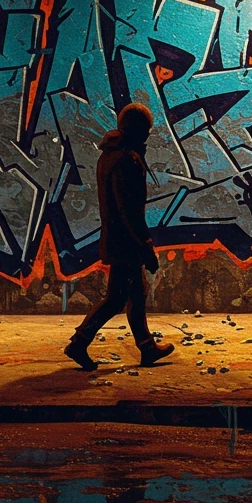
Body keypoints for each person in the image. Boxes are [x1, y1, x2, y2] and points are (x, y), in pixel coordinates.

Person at [64, 103, 175, 371]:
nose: (149, 136)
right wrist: (145, 246)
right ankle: (79, 342)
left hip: (117, 238)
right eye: (146, 130)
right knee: (116, 298)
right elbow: (130, 211)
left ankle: (147, 348)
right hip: (126, 242)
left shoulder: (110, 155)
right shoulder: (128, 160)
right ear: (138, 131)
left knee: (137, 293)